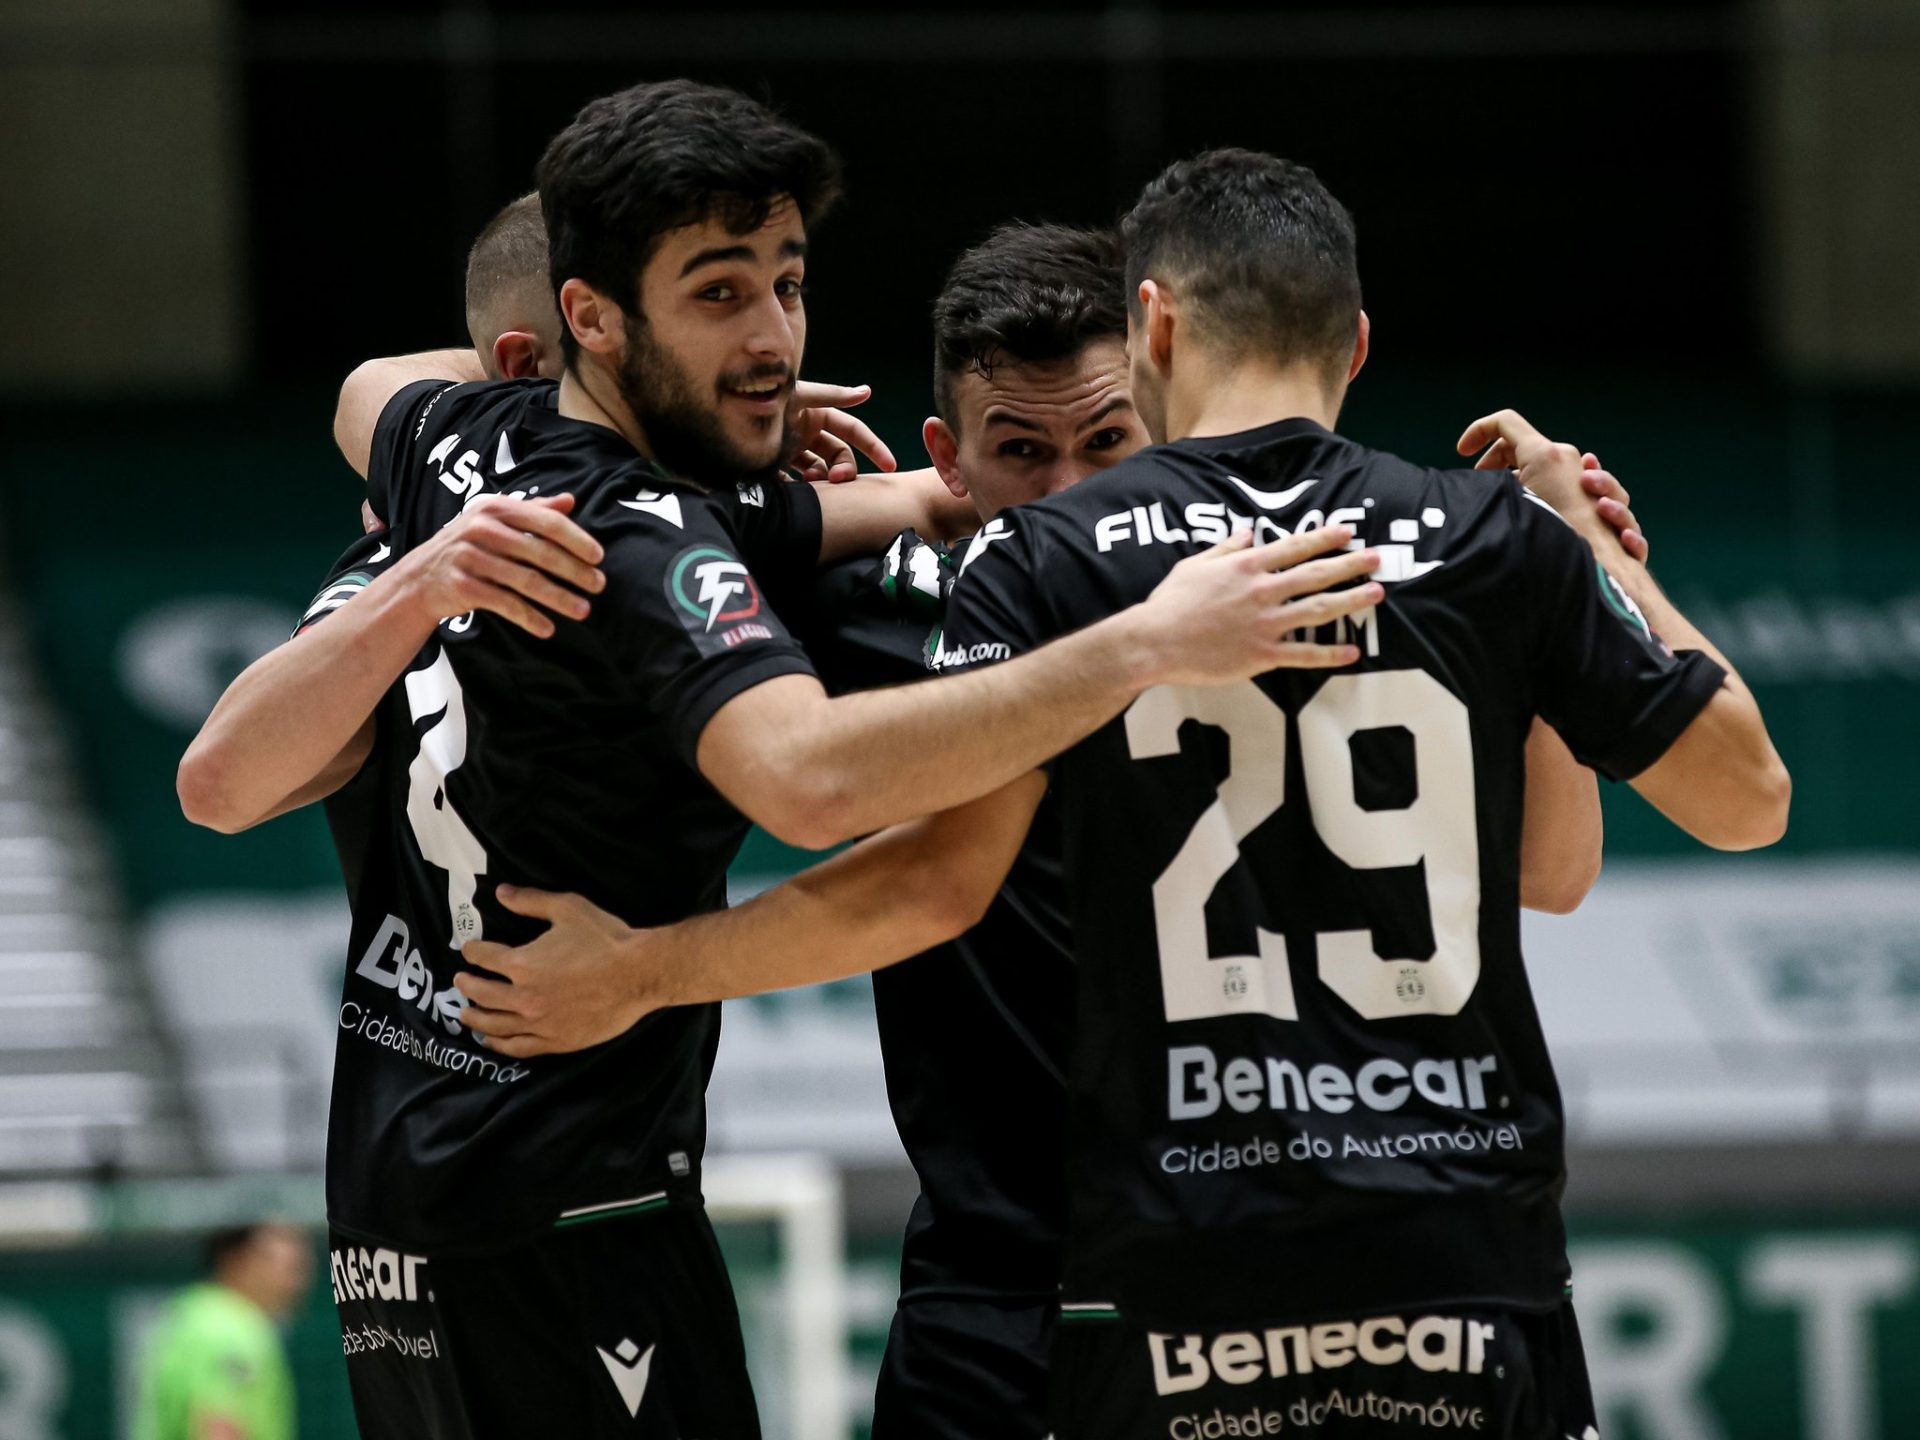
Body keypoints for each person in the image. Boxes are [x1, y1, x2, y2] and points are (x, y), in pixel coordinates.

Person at [461, 150, 1788, 1439]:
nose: (1068, 479)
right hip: (1357, 1246)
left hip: (1171, 1255)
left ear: (1153, 346)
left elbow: (918, 865)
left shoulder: (1050, 567)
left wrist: (643, 970)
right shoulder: (1471, 543)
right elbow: (1723, 802)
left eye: (1100, 437)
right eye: (1017, 450)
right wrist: (1582, 564)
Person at [183, 83, 1375, 1437]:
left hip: (411, 1205)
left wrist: (738, 434)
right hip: (608, 1200)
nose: (770, 335)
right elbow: (827, 796)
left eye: (787, 288)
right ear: (588, 320)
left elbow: (369, 398)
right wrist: (1147, 641)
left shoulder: (477, 461)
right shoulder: (665, 538)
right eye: (719, 297)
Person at [134, 1222, 311, 1440]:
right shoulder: (230, 1330)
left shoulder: (193, 1317)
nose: (299, 1283)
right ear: (239, 1261)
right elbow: (218, 1427)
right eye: (290, 1267)